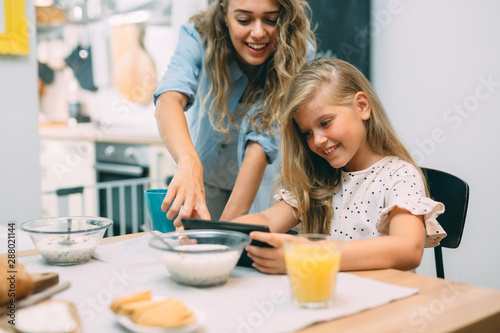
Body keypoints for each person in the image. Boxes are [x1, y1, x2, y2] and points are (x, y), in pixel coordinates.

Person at [233, 57, 447, 273]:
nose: (317, 140)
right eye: (307, 132)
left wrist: (312, 255)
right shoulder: (317, 180)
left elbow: (408, 249)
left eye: (325, 123)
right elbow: (266, 219)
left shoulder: (400, 176)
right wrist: (217, 236)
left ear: (362, 106)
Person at [153, 0, 316, 225]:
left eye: (271, 20)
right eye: (244, 20)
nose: (258, 32)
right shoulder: (197, 38)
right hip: (204, 178)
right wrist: (188, 161)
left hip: (261, 184)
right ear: (224, 14)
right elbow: (168, 99)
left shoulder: (298, 52)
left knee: (238, 246)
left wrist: (224, 235)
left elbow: (261, 144)